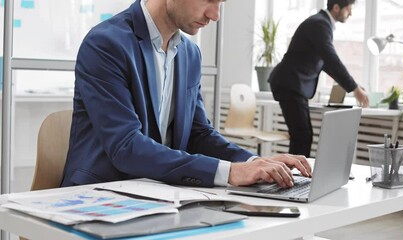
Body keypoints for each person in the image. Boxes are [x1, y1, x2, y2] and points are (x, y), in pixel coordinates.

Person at [60, 0, 312, 189]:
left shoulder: (190, 55)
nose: (215, 15)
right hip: (101, 195)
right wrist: (230, 172)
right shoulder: (106, 44)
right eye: (209, 0)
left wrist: (254, 163)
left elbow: (198, 133)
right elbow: (126, 146)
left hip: (161, 192)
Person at [268, 0, 369, 158]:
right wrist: (354, 89)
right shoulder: (320, 24)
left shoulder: (321, 23)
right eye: (349, 9)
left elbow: (325, 64)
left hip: (291, 84)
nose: (351, 13)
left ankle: (296, 176)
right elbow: (331, 59)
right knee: (302, 136)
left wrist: (353, 86)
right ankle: (295, 178)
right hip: (290, 84)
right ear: (336, 8)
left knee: (303, 135)